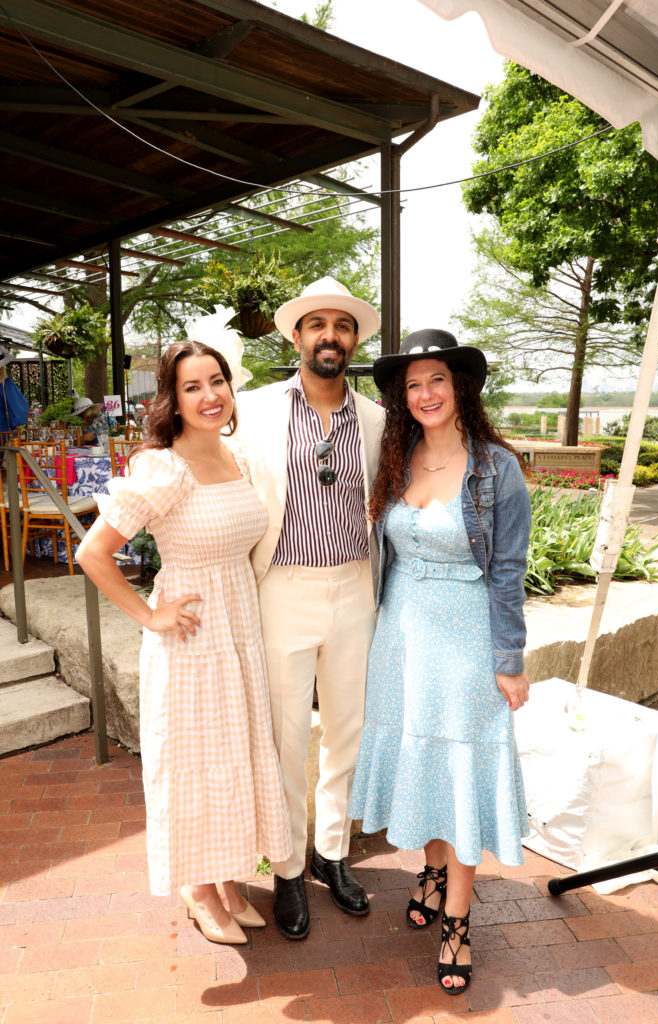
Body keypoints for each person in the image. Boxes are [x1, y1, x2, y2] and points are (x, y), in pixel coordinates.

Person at [75, 339, 292, 945]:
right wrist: (148, 614)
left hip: (238, 630)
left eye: (217, 380)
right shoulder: (164, 468)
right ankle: (197, 889)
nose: (210, 395)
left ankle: (226, 877)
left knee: (234, 755)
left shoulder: (235, 455)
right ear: (172, 398)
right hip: (192, 641)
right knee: (196, 764)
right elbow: (92, 553)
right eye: (192, 386)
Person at [348, 329, 531, 993]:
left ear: (460, 389)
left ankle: (457, 918)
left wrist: (508, 658)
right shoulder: (395, 459)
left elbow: (508, 569)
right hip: (400, 636)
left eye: (437, 381)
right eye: (413, 385)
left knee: (460, 769)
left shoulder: (496, 468)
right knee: (423, 761)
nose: (425, 394)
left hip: (465, 638)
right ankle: (431, 870)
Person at [236, 277, 384, 940]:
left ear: (353, 340)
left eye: (342, 325)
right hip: (281, 588)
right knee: (287, 736)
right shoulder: (253, 410)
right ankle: (289, 867)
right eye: (317, 324)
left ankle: (332, 852)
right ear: (296, 336)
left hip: (354, 588)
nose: (330, 335)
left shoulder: (377, 419)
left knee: (348, 731)